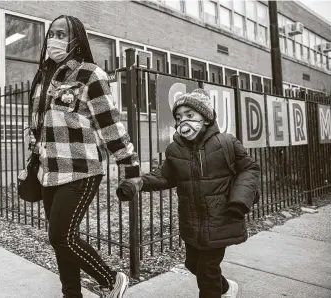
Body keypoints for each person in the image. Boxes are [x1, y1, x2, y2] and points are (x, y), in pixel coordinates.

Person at [25, 15, 139, 298]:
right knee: (62, 242)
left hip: (82, 169)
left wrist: (129, 166)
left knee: (60, 236)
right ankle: (71, 294)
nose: (54, 39)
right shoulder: (42, 77)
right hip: (49, 171)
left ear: (76, 39)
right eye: (51, 34)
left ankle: (111, 280)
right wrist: (33, 155)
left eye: (62, 34)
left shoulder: (90, 75)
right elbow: (38, 124)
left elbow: (110, 125)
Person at [123, 89, 260, 298]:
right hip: (192, 222)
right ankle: (225, 288)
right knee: (193, 264)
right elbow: (165, 177)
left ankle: (216, 291)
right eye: (179, 117)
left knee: (206, 271)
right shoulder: (175, 150)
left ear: (205, 118)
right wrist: (140, 182)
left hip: (220, 220)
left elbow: (249, 169)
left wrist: (240, 200)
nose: (183, 121)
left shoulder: (227, 142)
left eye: (189, 115)